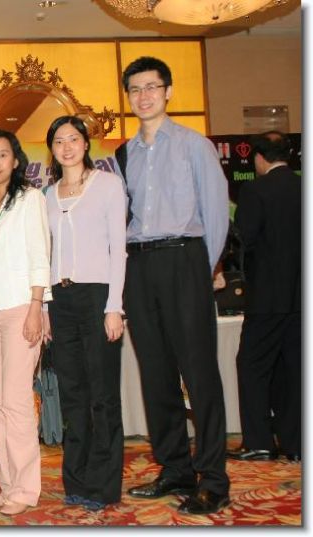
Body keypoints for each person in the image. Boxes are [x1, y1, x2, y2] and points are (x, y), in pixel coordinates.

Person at [114, 56, 231, 515]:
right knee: (156, 373)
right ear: (128, 97)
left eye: (151, 87)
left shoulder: (194, 145)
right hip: (139, 266)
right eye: (135, 89)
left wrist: (200, 270)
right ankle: (175, 468)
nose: (143, 96)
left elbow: (217, 215)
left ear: (168, 92)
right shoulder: (123, 154)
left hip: (185, 261)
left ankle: (213, 478)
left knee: (199, 372)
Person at [44, 115, 127, 511]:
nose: (67, 147)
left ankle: (103, 485)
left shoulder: (108, 185)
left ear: (85, 143)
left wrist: (115, 306)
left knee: (102, 395)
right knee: (72, 395)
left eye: (73, 139)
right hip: (60, 302)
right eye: (59, 141)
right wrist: (45, 306)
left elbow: (119, 250)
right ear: (52, 149)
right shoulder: (47, 195)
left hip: (98, 298)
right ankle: (75, 481)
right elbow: (45, 255)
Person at [0, 129, 52, 517]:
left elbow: (40, 255)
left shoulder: (30, 199)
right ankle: (7, 484)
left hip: (21, 305)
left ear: (16, 161)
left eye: (3, 154)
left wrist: (38, 305)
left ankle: (26, 488)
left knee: (18, 401)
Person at [227, 131, 301, 463]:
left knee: (252, 365)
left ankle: (258, 441)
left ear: (259, 158)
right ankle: (296, 443)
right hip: (302, 297)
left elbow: (245, 238)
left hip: (268, 296)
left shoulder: (255, 190)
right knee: (295, 368)